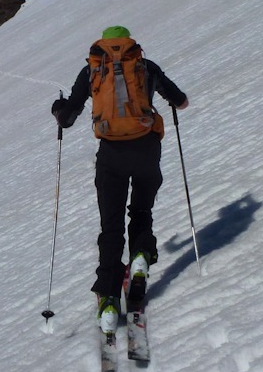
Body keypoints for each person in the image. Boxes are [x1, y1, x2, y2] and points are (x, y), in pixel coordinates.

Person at [51, 25, 188, 332]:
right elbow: (181, 101)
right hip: (146, 147)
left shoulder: (91, 69)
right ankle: (140, 256)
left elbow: (69, 116)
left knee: (110, 225)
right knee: (141, 211)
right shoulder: (144, 66)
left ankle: (110, 296)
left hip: (111, 154)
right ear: (129, 44)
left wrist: (58, 109)